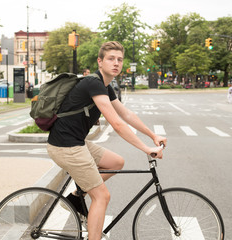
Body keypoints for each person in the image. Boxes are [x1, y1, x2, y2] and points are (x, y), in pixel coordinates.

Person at [47, 41, 166, 240]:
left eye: (119, 59)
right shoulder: (93, 83)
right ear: (100, 62)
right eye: (111, 59)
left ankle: (76, 198)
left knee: (116, 162)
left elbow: (126, 114)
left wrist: (153, 135)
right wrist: (146, 148)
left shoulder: (105, 86)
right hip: (65, 146)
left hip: (76, 142)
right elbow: (117, 125)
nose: (116, 63)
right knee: (102, 196)